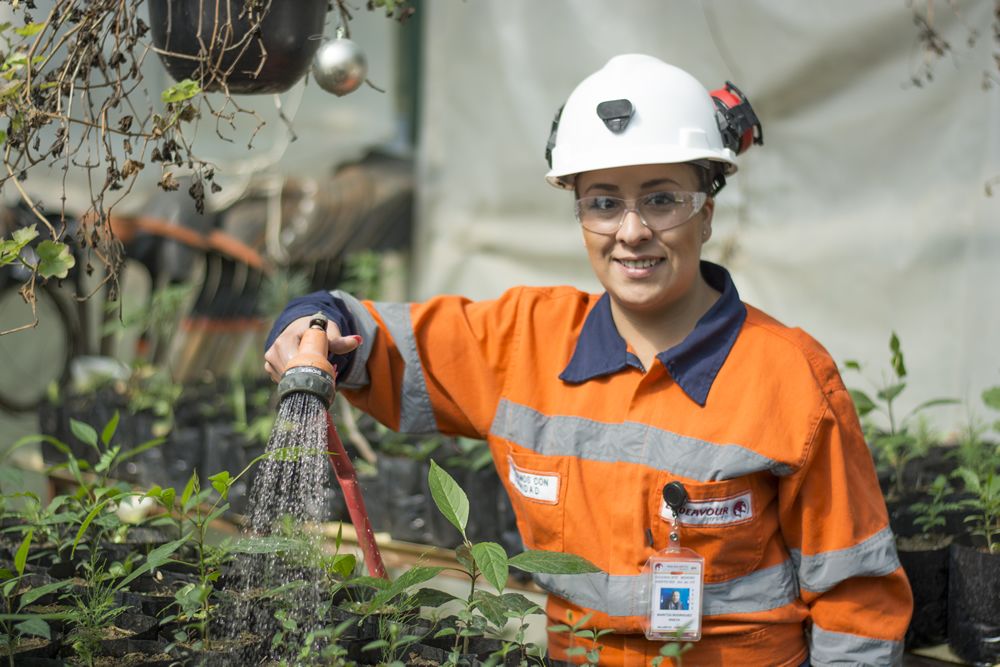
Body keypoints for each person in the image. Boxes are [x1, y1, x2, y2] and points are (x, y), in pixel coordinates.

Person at [264, 54, 913, 666]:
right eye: (603, 202)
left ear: (706, 213)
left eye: (661, 199)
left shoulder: (789, 376)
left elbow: (857, 600)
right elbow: (371, 340)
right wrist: (312, 325)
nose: (631, 231)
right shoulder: (523, 340)